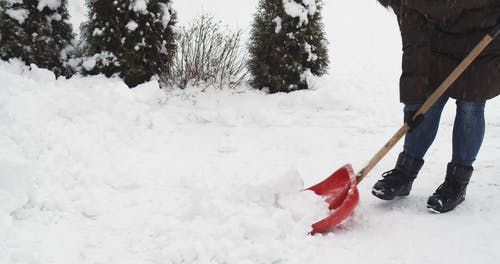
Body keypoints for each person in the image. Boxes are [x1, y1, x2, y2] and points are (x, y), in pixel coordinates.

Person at [372, 0, 500, 213]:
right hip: (440, 43)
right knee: (426, 105)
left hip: (485, 42)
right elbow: (415, 45)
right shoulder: (405, 3)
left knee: (470, 107)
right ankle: (405, 173)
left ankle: (457, 183)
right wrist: (413, 102)